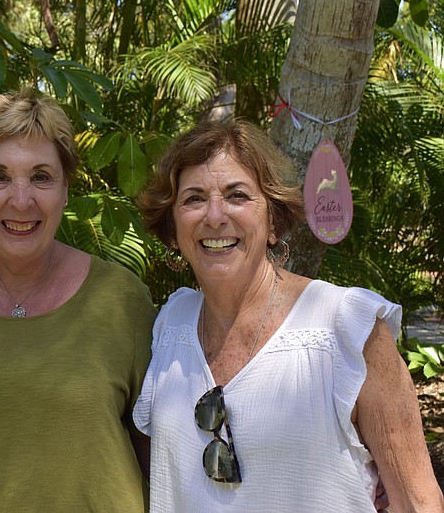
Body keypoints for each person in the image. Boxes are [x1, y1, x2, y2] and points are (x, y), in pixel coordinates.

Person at [133, 119, 444, 512]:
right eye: (194, 198)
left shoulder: (346, 328)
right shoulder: (171, 325)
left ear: (274, 222)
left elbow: (419, 503)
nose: (214, 216)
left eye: (237, 195)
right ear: (173, 229)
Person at [0, 87, 156, 511]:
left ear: (65, 190)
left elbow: (157, 455)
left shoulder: (123, 300)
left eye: (41, 176)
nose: (21, 200)